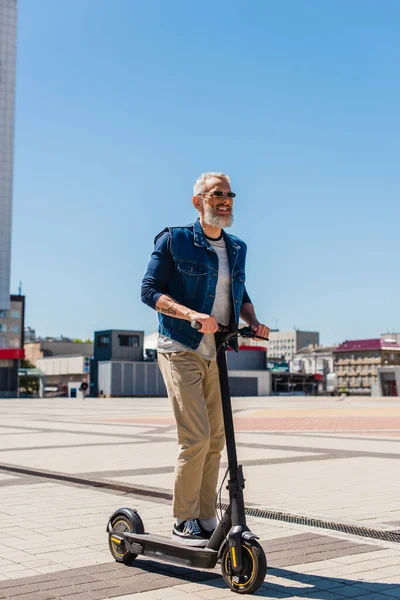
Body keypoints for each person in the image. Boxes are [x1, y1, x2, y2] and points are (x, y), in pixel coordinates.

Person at [141, 172, 270, 547]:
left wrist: (254, 322)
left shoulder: (237, 248)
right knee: (195, 437)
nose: (225, 200)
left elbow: (240, 292)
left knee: (216, 439)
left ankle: (206, 515)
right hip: (180, 346)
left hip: (217, 350)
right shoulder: (175, 240)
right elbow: (149, 291)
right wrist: (190, 315)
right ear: (198, 201)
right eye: (216, 194)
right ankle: (183, 518)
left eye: (229, 194)